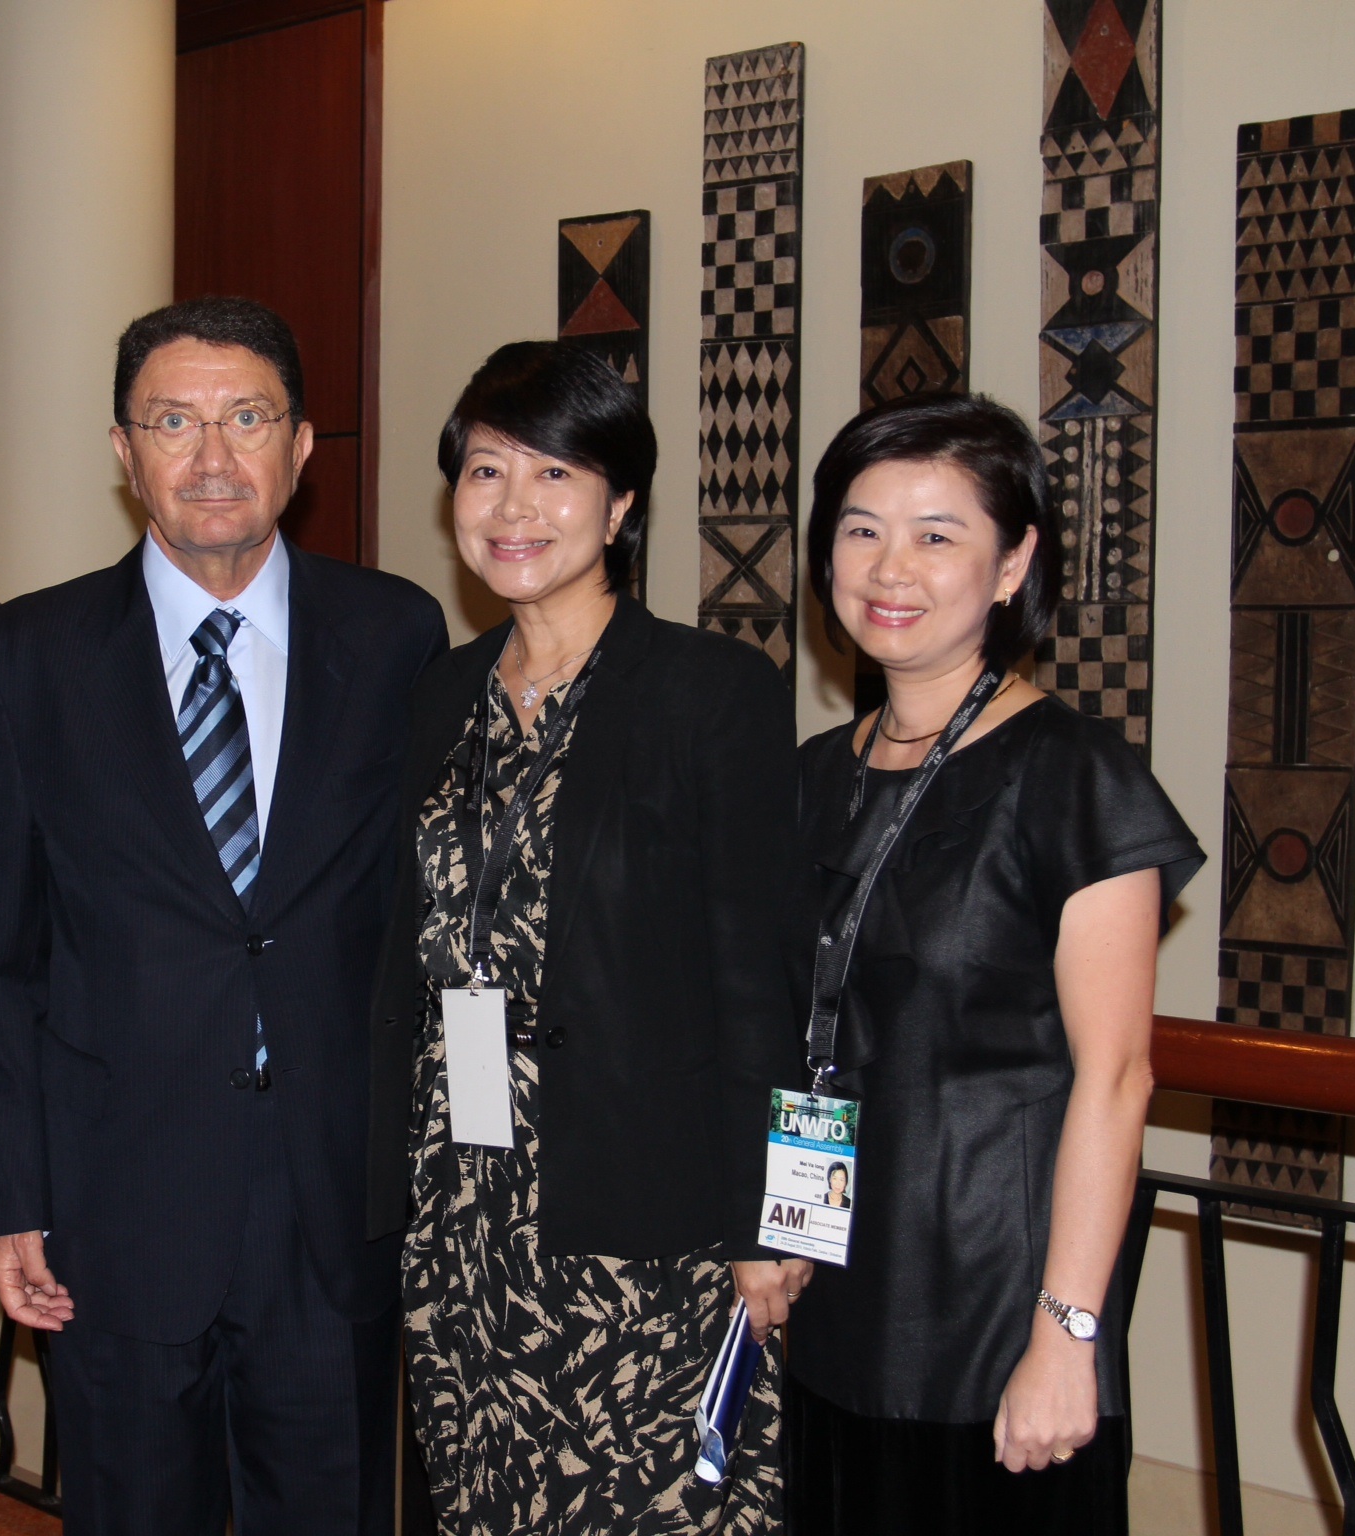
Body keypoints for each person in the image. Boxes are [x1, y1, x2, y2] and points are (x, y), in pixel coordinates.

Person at [0, 296, 448, 1536]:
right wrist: (15, 1197)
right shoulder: (26, 656)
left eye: (248, 418)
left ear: (303, 446)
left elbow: (423, 921)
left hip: (332, 1205)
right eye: (173, 421)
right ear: (124, 452)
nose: (213, 455)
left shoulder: (397, 635)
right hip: (116, 1211)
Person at [367, 340, 813, 1533]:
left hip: (650, 1222)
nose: (513, 506)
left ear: (619, 506)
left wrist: (776, 1224)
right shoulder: (439, 695)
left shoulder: (712, 692)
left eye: (554, 473)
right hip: (464, 1212)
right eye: (485, 471)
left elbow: (766, 981)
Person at [782, 393, 1204, 1534]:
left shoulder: (1075, 777)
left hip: (994, 1311)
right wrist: (776, 1238)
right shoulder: (813, 775)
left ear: (1013, 565)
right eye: (862, 529)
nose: (891, 568)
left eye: (938, 535)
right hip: (835, 1299)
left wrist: (1067, 1338)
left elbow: (1116, 1078)